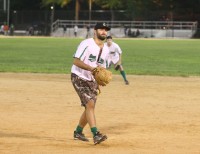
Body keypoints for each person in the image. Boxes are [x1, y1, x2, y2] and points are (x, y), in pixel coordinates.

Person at [71, 22, 111, 145]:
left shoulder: (106, 49)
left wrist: (99, 82)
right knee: (90, 105)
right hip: (79, 76)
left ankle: (78, 132)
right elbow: (76, 61)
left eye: (105, 30)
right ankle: (96, 134)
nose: (104, 32)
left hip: (91, 79)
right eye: (101, 29)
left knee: (89, 106)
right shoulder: (86, 44)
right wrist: (91, 69)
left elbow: (100, 69)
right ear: (95, 31)